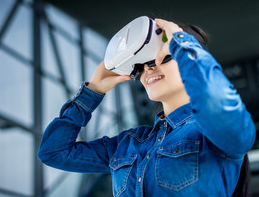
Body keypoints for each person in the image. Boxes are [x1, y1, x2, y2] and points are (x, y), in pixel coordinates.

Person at [37, 18, 256, 196]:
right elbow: (53, 152)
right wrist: (92, 91)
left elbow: (217, 103)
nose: (149, 68)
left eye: (165, 57)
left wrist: (181, 41)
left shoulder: (214, 133)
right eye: (141, 66)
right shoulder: (128, 144)